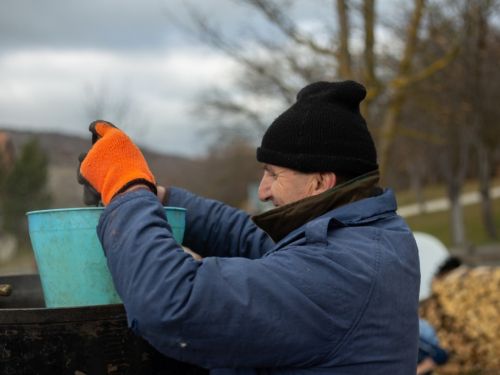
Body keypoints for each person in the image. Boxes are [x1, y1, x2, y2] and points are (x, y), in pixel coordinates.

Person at [77, 80, 421, 374]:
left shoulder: (341, 271)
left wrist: (127, 188)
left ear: (320, 182)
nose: (263, 190)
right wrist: (158, 194)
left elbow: (171, 302)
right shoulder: (371, 234)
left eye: (273, 173)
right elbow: (255, 240)